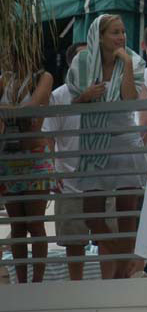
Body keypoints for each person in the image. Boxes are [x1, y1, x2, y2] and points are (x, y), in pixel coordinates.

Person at [66, 14, 147, 279]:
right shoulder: (82, 61)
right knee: (93, 216)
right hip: (94, 141)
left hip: (124, 139)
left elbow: (130, 99)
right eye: (115, 32)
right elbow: (73, 102)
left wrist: (124, 62)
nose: (122, 37)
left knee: (127, 211)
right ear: (99, 36)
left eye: (123, 31)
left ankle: (121, 276)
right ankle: (122, 262)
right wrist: (85, 96)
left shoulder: (133, 60)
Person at [43, 42, 93, 281]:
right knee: (74, 242)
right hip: (70, 180)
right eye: (81, 59)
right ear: (72, 63)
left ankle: (114, 288)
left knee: (112, 238)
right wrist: (52, 170)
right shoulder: (59, 96)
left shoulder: (107, 91)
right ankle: (77, 288)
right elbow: (48, 136)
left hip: (104, 179)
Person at [0, 64, 54, 283]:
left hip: (34, 156)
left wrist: (7, 112)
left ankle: (37, 282)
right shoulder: (4, 78)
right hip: (9, 158)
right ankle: (22, 281)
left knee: (35, 222)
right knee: (17, 225)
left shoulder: (43, 76)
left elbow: (31, 108)